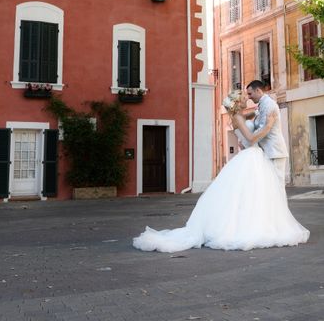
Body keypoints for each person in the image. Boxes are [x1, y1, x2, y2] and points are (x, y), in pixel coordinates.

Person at [132, 92, 309, 253]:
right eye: (241, 99)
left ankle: (256, 223)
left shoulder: (240, 116)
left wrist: (264, 109)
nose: (245, 99)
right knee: (251, 193)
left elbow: (254, 117)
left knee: (249, 195)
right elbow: (251, 138)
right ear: (236, 105)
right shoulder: (238, 119)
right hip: (252, 154)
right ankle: (251, 226)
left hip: (251, 156)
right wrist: (269, 125)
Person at [232, 80, 288, 189]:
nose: (248, 97)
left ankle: (277, 206)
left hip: (274, 151)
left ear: (258, 90)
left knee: (277, 185)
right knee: (268, 186)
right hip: (264, 152)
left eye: (250, 94)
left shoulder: (267, 104)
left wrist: (248, 140)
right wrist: (246, 140)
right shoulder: (260, 106)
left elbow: (262, 128)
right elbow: (253, 127)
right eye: (246, 96)